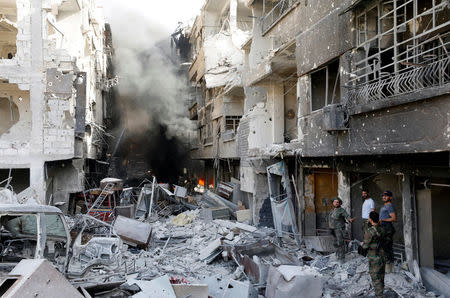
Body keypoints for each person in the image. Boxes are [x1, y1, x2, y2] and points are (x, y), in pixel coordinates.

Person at [361, 211, 386, 298]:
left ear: (370, 219)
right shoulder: (382, 229)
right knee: (381, 276)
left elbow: (365, 246)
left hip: (373, 256)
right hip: (382, 255)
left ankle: (379, 295)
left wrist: (362, 244)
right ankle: (381, 293)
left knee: (375, 277)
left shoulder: (369, 231)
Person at [329, 198, 355, 263]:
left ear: (340, 203)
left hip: (339, 229)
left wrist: (350, 219)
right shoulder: (332, 210)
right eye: (335, 202)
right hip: (332, 229)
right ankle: (338, 255)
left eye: (337, 202)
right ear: (333, 203)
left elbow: (346, 215)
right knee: (335, 243)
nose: (336, 203)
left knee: (340, 243)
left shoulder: (341, 210)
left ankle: (342, 258)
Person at [379, 190, 396, 273]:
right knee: (387, 247)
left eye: (386, 196)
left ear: (390, 197)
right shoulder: (385, 205)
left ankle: (389, 269)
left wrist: (383, 220)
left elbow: (393, 218)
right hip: (384, 227)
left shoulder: (389, 205)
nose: (384, 197)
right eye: (383, 196)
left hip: (387, 228)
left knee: (387, 247)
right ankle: (390, 268)